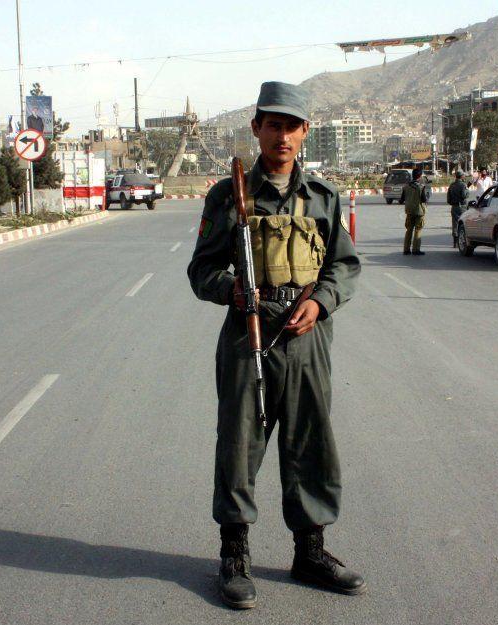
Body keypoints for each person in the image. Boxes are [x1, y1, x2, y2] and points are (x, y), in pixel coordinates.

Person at [187, 81, 363, 610]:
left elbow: (344, 266)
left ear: (305, 132)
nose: (282, 135)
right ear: (257, 128)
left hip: (307, 339)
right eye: (273, 124)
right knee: (240, 444)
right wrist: (231, 291)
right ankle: (234, 555)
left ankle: (310, 551)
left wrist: (323, 301)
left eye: (292, 126)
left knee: (310, 442)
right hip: (250, 336)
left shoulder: (324, 198)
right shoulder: (228, 196)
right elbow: (201, 270)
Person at [403, 168, 430, 255]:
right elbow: (424, 199)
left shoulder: (406, 186)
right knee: (418, 230)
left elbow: (401, 199)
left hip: (409, 211)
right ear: (420, 176)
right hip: (419, 211)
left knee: (409, 230)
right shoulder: (421, 187)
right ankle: (415, 250)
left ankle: (406, 250)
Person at [446, 170, 469, 247]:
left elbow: (448, 199)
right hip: (462, 207)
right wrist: (467, 191)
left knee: (455, 225)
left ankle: (455, 242)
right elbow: (464, 196)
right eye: (464, 175)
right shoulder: (463, 185)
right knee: (463, 224)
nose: (465, 176)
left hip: (454, 207)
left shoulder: (452, 185)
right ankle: (462, 242)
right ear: (461, 176)